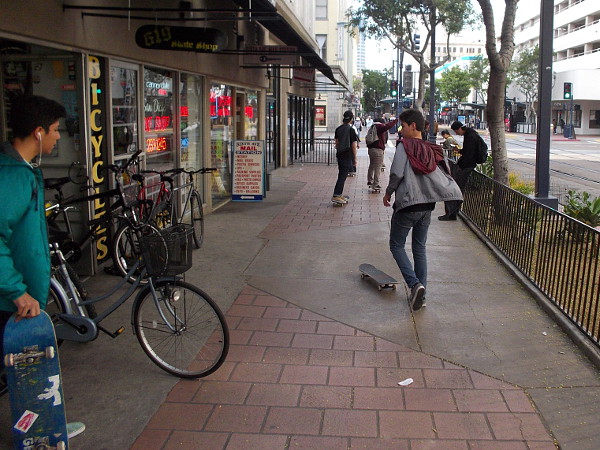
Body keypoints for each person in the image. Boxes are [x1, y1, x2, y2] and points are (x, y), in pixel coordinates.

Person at [0, 95, 85, 439]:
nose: (58, 137)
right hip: (10, 301)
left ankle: (41, 429)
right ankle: (42, 433)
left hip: (19, 298)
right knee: (27, 369)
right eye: (54, 130)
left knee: (26, 370)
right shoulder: (12, 178)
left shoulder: (24, 171)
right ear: (37, 132)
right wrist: (16, 291)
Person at [383, 109, 462, 311]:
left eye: (403, 125)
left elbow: (396, 172)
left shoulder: (404, 146)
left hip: (408, 204)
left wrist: (389, 192)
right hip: (427, 206)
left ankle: (414, 284)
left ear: (414, 126)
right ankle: (422, 294)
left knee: (396, 246)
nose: (401, 130)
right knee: (420, 248)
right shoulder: (432, 148)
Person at [438, 120, 481, 221]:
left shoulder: (470, 136)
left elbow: (469, 154)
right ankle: (452, 212)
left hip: (466, 166)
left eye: (456, 131)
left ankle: (451, 213)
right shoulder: (471, 134)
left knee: (453, 189)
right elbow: (468, 151)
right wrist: (460, 151)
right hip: (467, 165)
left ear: (459, 129)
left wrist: (461, 165)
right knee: (455, 189)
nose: (456, 134)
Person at [332, 110, 358, 204]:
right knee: (342, 176)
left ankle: (339, 194)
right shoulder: (351, 130)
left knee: (341, 174)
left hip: (340, 154)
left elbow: (337, 143)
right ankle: (337, 195)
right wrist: (355, 158)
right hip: (347, 154)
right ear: (351, 119)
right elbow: (353, 145)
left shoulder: (338, 129)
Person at [367, 117, 398, 191]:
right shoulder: (379, 126)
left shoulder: (372, 127)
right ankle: (376, 184)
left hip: (371, 149)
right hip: (378, 149)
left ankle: (370, 180)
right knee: (378, 167)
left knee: (371, 165)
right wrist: (395, 121)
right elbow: (387, 126)